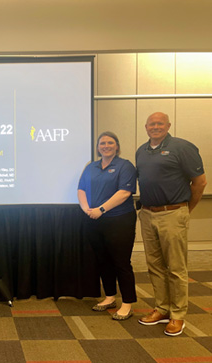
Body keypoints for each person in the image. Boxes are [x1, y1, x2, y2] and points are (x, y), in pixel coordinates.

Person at [136, 112, 207, 336]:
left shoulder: (182, 147)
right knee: (155, 265)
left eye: (159, 123)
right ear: (146, 127)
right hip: (147, 214)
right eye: (151, 124)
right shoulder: (141, 150)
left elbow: (200, 182)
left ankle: (178, 315)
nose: (155, 127)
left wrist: (185, 210)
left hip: (173, 213)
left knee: (176, 268)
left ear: (168, 125)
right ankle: (162, 308)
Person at [78, 131, 137, 320]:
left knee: (121, 262)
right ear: (97, 147)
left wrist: (101, 209)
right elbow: (81, 189)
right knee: (103, 260)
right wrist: (87, 209)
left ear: (117, 146)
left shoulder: (125, 166)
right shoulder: (91, 167)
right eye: (102, 143)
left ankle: (127, 303)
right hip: (94, 220)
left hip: (120, 220)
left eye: (110, 142)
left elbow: (124, 193)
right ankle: (110, 297)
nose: (106, 146)